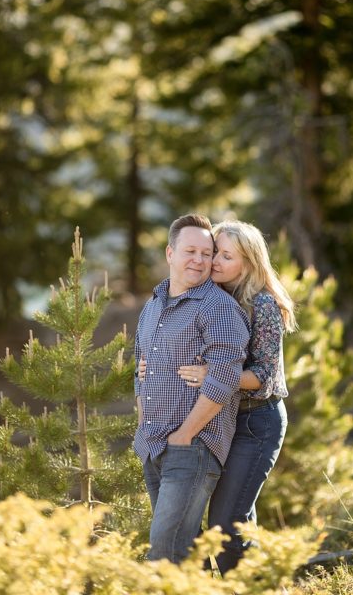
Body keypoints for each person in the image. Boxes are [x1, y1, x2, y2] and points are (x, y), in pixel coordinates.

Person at [141, 220, 295, 573]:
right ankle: (261, 583)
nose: (214, 263)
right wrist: (155, 365)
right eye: (215, 254)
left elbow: (266, 378)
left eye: (226, 256)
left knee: (225, 525)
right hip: (221, 417)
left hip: (257, 422)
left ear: (249, 262)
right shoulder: (215, 295)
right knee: (230, 521)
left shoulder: (263, 305)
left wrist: (216, 375)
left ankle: (255, 585)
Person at [134, 213, 249, 563]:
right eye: (190, 251)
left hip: (192, 448)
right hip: (153, 448)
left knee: (165, 556)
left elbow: (225, 379)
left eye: (206, 252)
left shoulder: (219, 309)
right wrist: (142, 425)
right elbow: (139, 368)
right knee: (184, 558)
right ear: (170, 253)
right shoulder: (152, 306)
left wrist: (184, 435)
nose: (199, 260)